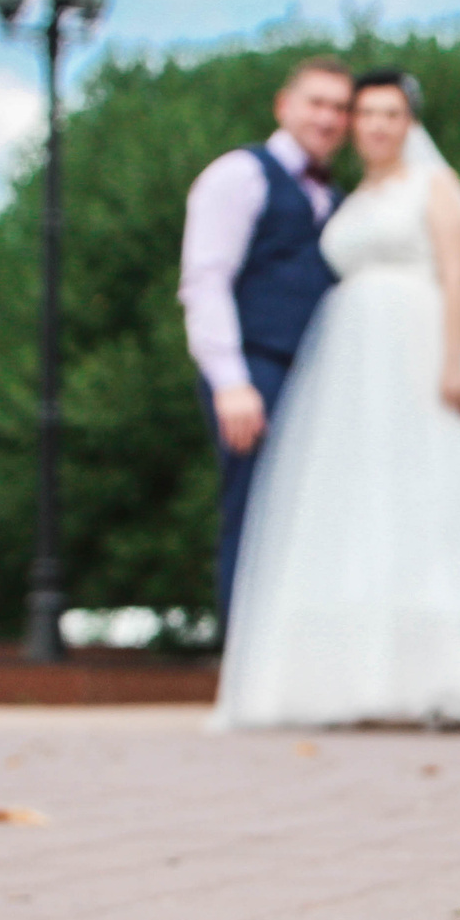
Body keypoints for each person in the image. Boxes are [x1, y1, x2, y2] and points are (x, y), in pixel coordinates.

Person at [211, 69, 460, 733]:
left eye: (392, 113)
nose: (377, 125)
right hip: (349, 364)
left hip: (420, 347)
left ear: (410, 123)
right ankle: (354, 678)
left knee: (440, 495)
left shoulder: (435, 183)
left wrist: (454, 362)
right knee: (361, 504)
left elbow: (457, 273)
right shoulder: (351, 198)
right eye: (367, 113)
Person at [177, 54, 353, 630]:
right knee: (254, 514)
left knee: (308, 521)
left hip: (316, 379)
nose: (327, 118)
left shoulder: (337, 197)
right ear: (284, 105)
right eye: (317, 103)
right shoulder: (240, 174)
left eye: (340, 108)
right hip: (256, 371)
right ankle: (241, 656)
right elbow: (206, 279)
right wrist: (231, 381)